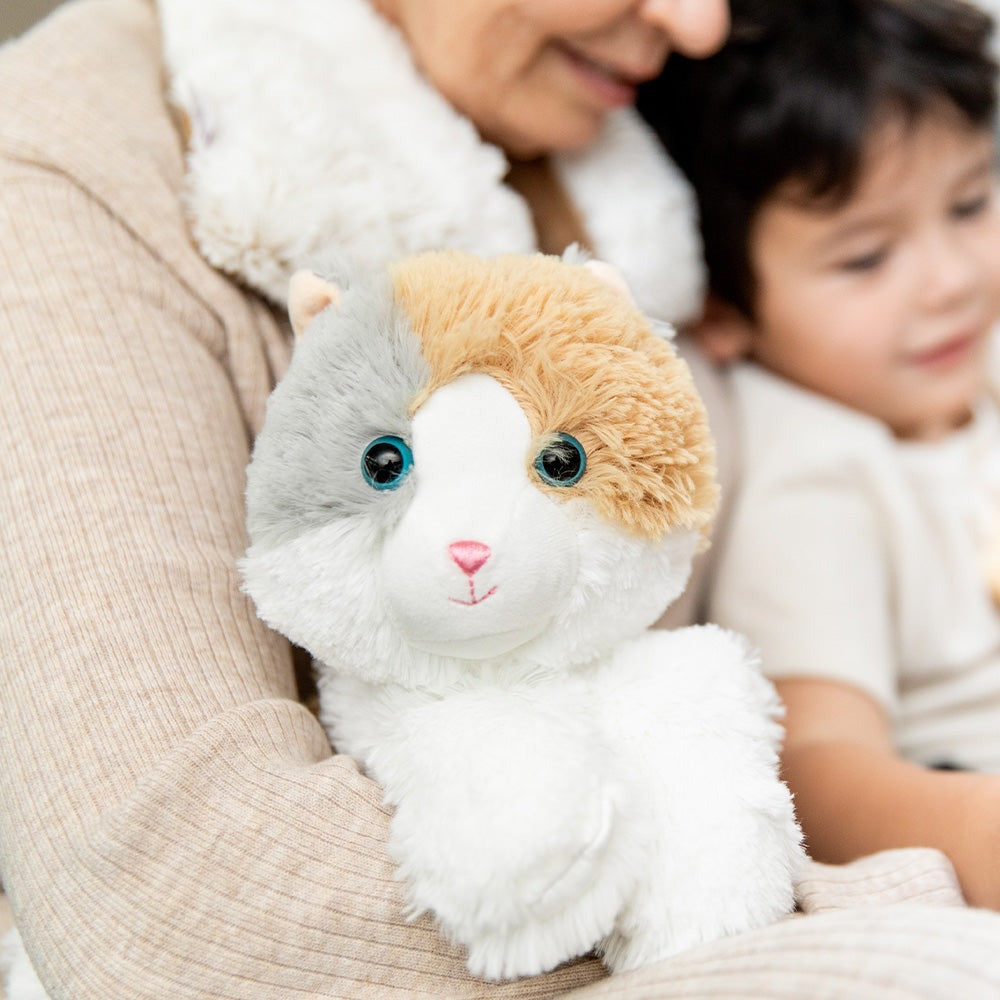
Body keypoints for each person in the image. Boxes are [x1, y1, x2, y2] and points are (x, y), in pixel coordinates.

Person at [3, 0, 1000, 997]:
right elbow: (188, 913)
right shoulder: (68, 175)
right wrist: (847, 903)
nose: (696, 26)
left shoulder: (637, 125)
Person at [642, 0, 1000, 912]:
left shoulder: (970, 375)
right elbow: (819, 769)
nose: (952, 278)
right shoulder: (818, 470)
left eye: (971, 203)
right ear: (721, 308)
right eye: (865, 258)